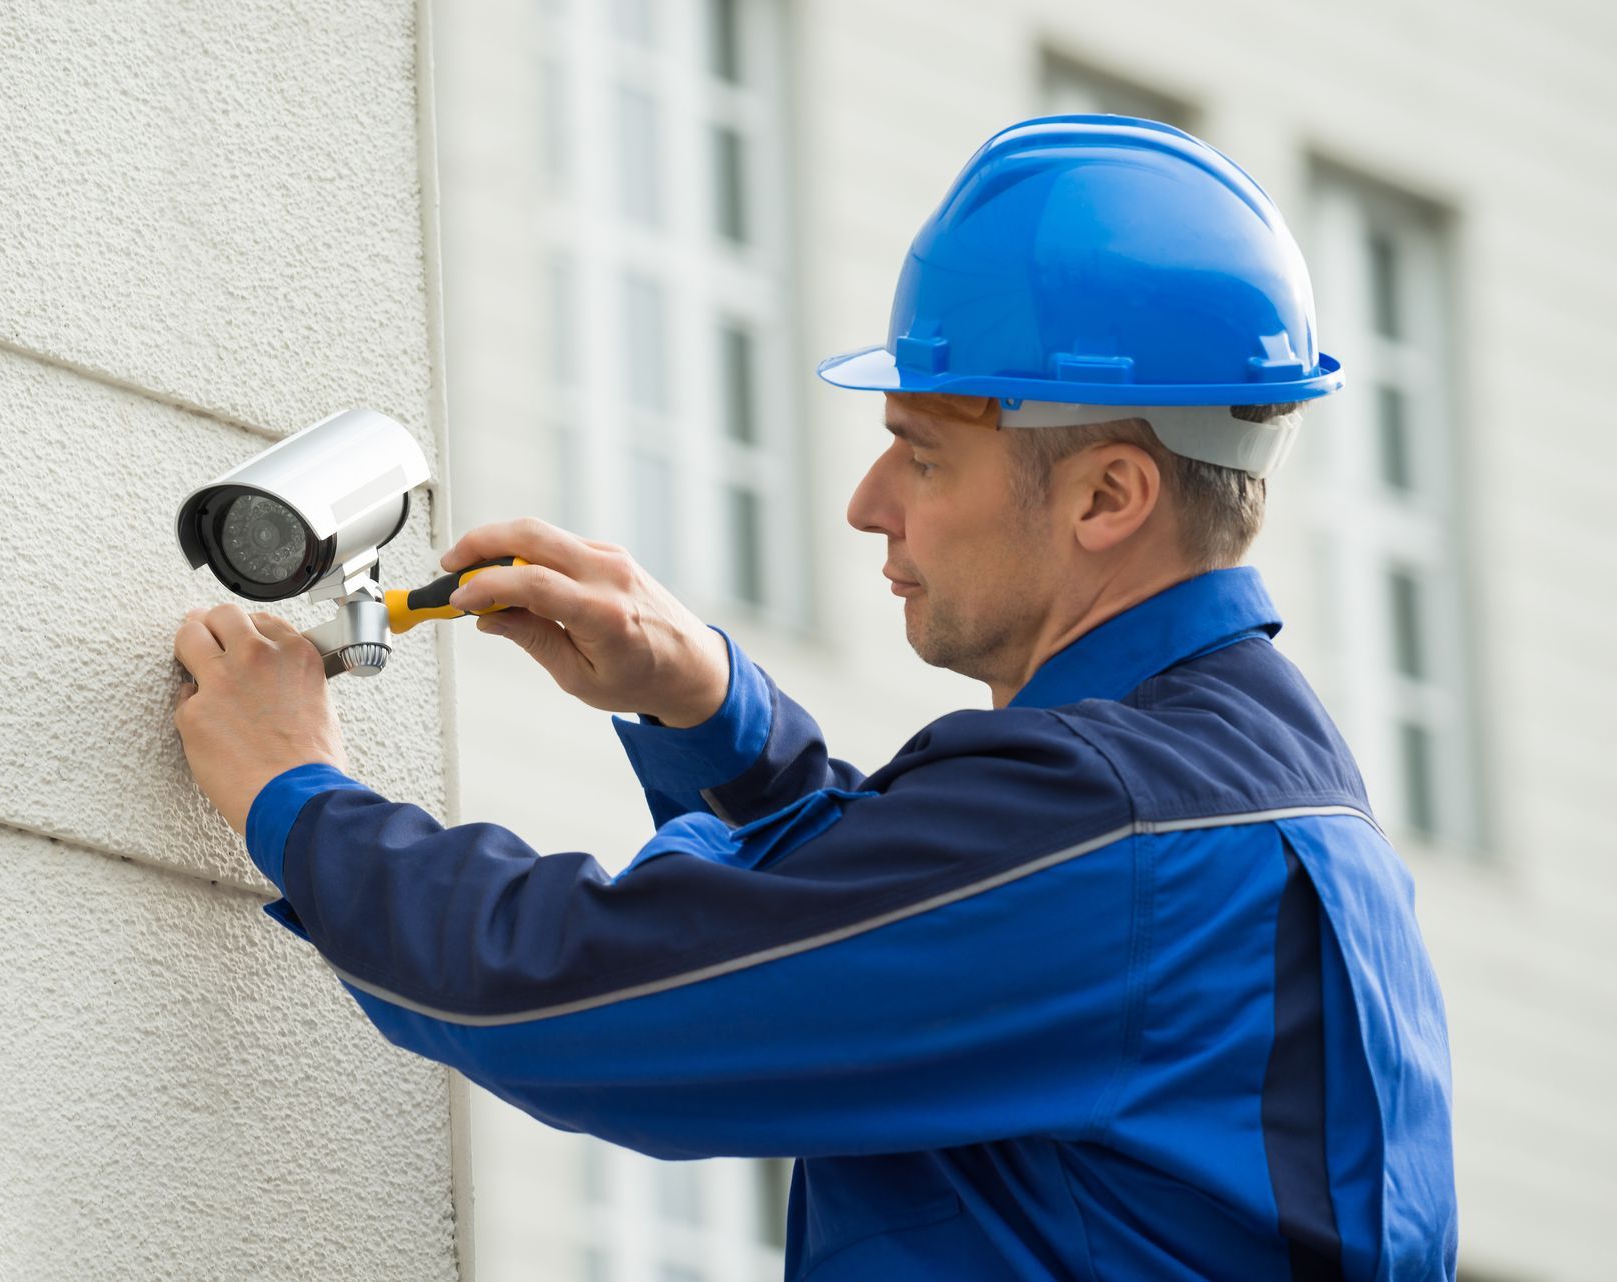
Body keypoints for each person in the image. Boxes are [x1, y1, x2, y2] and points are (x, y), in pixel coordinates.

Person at [171, 115, 1458, 1280]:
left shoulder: (1113, 828)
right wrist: (713, 715)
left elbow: (571, 994)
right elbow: (913, 936)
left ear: (1107, 497)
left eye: (922, 451)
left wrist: (298, 793)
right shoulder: (1254, 798)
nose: (868, 504)